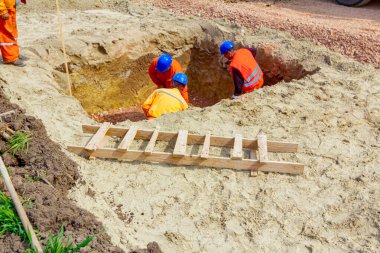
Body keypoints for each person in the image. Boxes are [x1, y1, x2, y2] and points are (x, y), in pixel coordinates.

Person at [0, 0, 26, 67]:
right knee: (6, 34)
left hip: (11, 7)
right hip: (5, 9)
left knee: (13, 32)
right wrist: (2, 11)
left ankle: (14, 54)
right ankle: (10, 58)